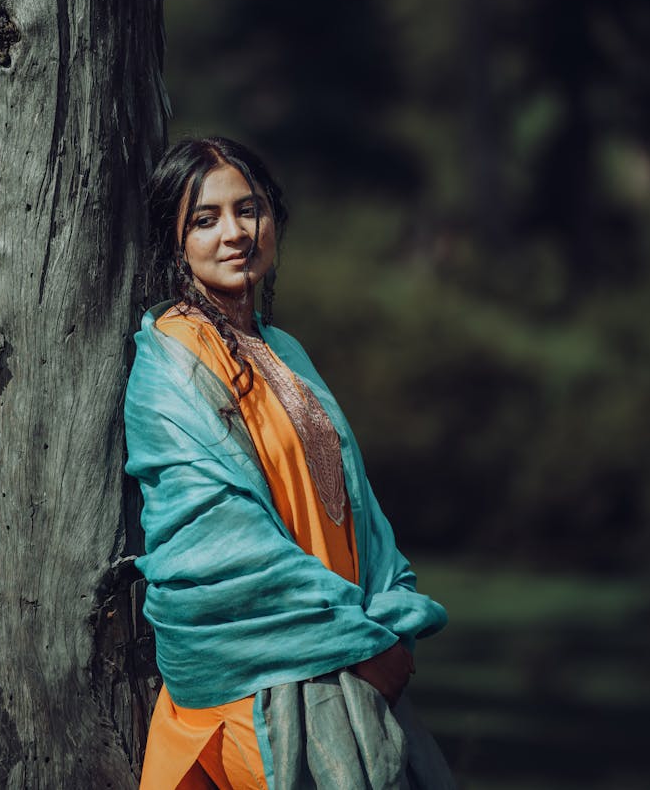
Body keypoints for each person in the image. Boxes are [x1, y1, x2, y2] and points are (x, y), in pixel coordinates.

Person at [125, 136, 454, 790]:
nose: (234, 232)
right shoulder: (169, 362)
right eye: (205, 218)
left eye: (249, 209)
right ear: (175, 239)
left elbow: (359, 510)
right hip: (252, 679)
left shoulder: (284, 350)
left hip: (349, 657)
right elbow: (223, 548)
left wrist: (390, 617)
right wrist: (362, 641)